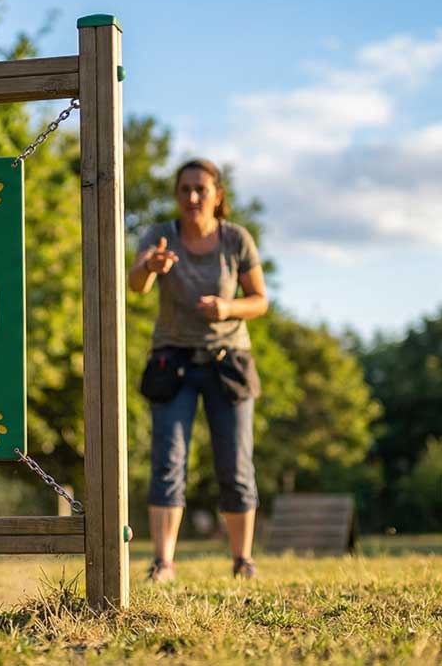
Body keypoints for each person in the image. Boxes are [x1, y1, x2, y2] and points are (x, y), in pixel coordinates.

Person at [129, 158, 268, 581]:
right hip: (174, 363)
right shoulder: (160, 236)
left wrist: (227, 307)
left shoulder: (237, 240)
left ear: (217, 195)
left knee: (235, 464)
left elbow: (260, 300)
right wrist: (151, 267)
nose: (192, 197)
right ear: (176, 194)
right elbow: (135, 284)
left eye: (201, 189)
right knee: (168, 461)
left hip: (229, 362)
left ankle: (242, 561)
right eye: (184, 189)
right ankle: (163, 563)